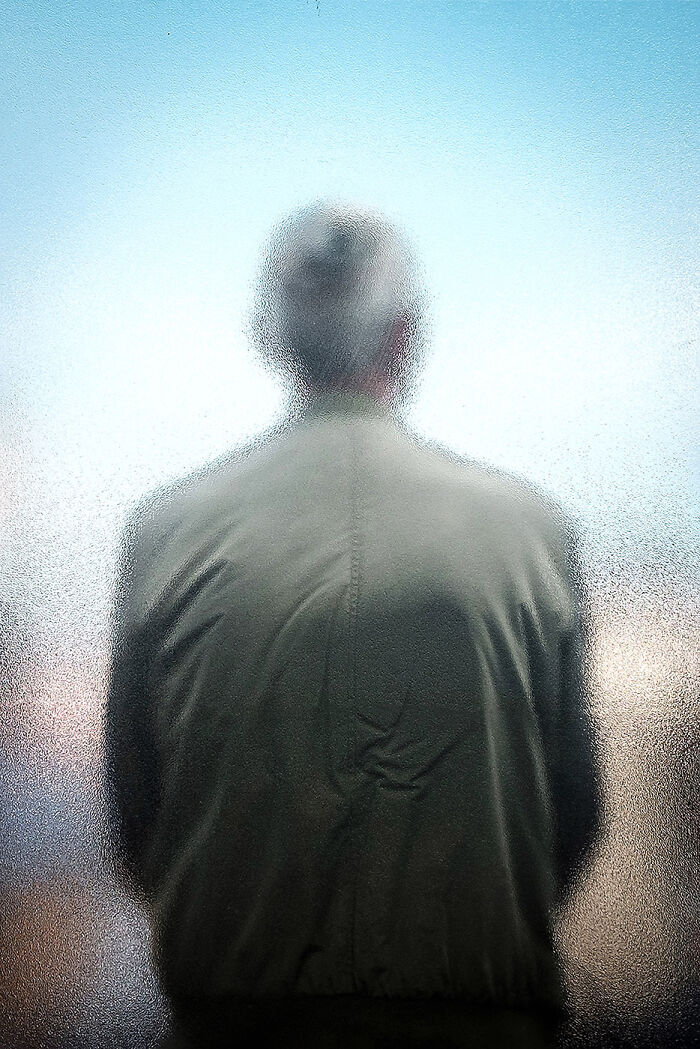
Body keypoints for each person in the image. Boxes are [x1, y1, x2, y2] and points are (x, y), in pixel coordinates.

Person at [104, 201, 602, 1048]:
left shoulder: (164, 533)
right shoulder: (533, 530)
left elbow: (139, 821)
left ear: (272, 337)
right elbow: (572, 817)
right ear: (405, 336)